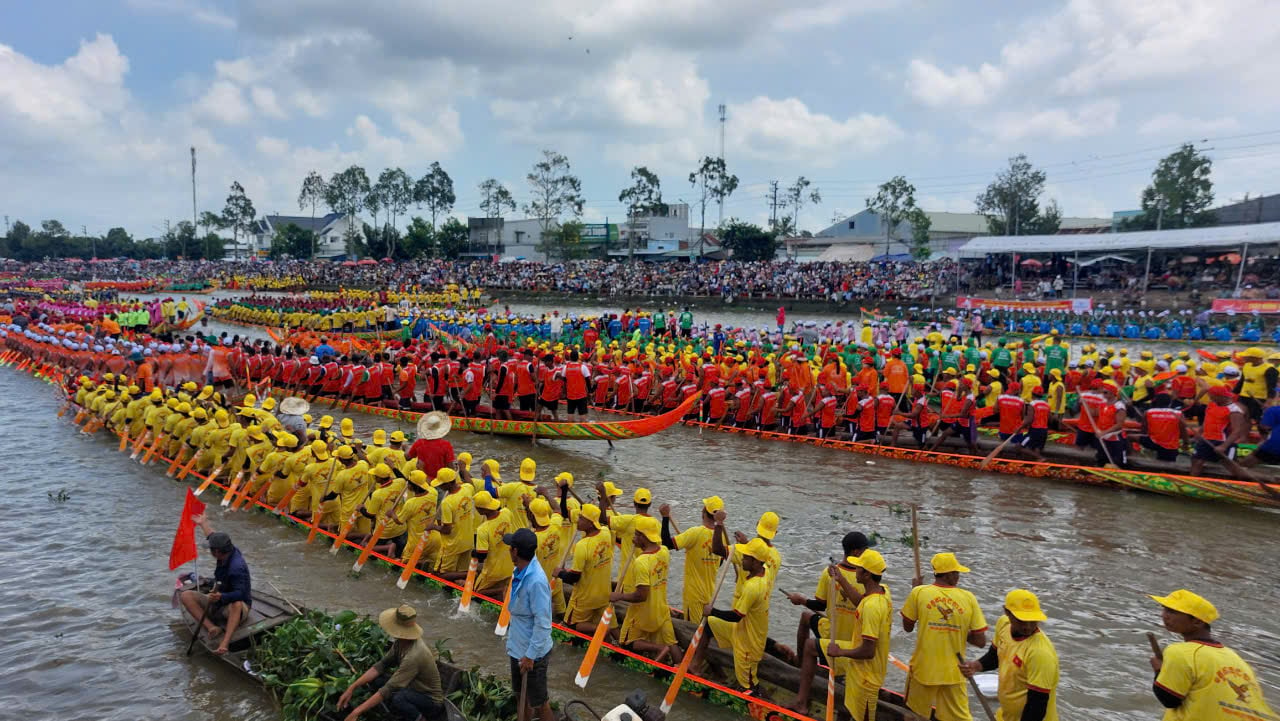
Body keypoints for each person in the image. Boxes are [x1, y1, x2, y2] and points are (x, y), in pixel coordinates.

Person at [1148, 589, 1276, 721]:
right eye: (1164, 609)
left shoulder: (1179, 652)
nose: (1164, 615)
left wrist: (1158, 670)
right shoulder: (1235, 658)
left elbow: (1169, 699)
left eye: (1172, 611)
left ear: (1197, 622)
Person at [785, 531, 870, 712]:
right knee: (806, 616)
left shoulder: (830, 573)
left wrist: (802, 600)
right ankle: (802, 667)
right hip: (837, 631)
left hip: (845, 643)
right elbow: (822, 606)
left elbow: (820, 604)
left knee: (809, 645)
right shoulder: (867, 578)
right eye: (865, 550)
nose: (868, 553)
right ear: (856, 552)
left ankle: (802, 701)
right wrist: (801, 601)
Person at [901, 552, 989, 721]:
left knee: (914, 716)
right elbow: (980, 641)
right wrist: (958, 629)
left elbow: (907, 627)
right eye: (956, 573)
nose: (958, 576)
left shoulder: (919, 592)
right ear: (948, 574)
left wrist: (914, 592)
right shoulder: (968, 598)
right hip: (955, 671)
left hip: (924, 669)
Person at [961, 589, 1060, 721]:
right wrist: (976, 666)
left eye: (1033, 620)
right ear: (1007, 613)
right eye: (1022, 620)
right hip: (1006, 715)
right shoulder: (1003, 624)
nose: (1028, 626)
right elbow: (996, 655)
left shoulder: (1040, 653)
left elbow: (1036, 706)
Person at [338, 604, 446, 721]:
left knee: (399, 698)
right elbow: (381, 665)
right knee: (377, 680)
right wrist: (352, 687)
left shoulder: (414, 655)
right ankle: (397, 712)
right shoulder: (400, 643)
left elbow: (389, 688)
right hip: (411, 688)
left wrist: (356, 712)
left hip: (430, 701)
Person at [692, 537, 772, 693]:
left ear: (755, 562)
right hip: (739, 629)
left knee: (748, 685)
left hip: (748, 641)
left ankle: (757, 699)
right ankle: (695, 665)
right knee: (709, 624)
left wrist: (712, 611)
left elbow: (736, 616)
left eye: (746, 558)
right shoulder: (765, 570)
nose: (742, 559)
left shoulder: (752, 587)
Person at [826, 550, 893, 721]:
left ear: (867, 574)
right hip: (859, 672)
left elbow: (868, 651)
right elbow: (860, 602)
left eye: (858, 568)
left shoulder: (872, 607)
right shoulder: (882, 591)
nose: (854, 570)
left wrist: (840, 652)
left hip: (866, 678)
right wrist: (840, 579)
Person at [179, 514, 251, 656]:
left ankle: (225, 642)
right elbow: (212, 536)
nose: (210, 551)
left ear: (217, 552)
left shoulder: (236, 568)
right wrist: (203, 523)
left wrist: (221, 596)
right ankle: (212, 627)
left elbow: (241, 594)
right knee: (186, 595)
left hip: (235, 606)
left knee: (236, 604)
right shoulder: (227, 550)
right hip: (219, 599)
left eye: (211, 549)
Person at [504, 528, 555, 721]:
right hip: (517, 648)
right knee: (520, 695)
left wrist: (530, 656)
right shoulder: (519, 571)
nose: (509, 550)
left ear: (515, 551)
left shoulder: (536, 581)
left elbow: (543, 624)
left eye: (510, 548)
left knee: (539, 703)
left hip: (533, 653)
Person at [407, 411, 453, 478]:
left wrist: (406, 448)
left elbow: (408, 457)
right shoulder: (446, 445)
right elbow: (450, 465)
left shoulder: (419, 443)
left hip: (423, 479)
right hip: (440, 479)